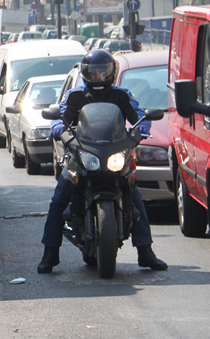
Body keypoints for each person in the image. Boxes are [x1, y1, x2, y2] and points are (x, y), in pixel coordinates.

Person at [37, 49, 167, 273]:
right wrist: (58, 127)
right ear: (86, 73)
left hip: (115, 153)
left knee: (136, 198)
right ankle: (50, 252)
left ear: (111, 72)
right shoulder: (75, 95)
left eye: (102, 71)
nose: (97, 76)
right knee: (59, 200)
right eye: (93, 72)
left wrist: (143, 125)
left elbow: (137, 114)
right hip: (83, 154)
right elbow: (62, 115)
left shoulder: (122, 95)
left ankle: (146, 252)